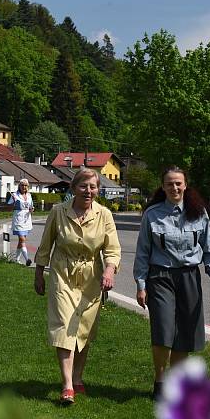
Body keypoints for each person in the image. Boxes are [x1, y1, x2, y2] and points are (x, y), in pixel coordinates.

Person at [133, 167, 210, 400]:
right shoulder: (152, 215)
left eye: (178, 184)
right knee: (163, 331)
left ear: (185, 185)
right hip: (160, 277)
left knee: (184, 333)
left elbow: (208, 248)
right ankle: (160, 380)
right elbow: (143, 252)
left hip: (189, 277)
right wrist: (141, 285)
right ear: (162, 187)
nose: (174, 188)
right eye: (169, 184)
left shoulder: (199, 213)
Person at [34, 168, 121, 405]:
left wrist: (109, 271)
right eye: (83, 186)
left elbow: (112, 249)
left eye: (93, 187)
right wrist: (39, 273)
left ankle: (78, 377)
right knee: (64, 326)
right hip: (63, 274)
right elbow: (45, 246)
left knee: (83, 328)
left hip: (91, 278)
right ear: (73, 188)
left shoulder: (104, 215)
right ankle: (67, 385)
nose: (88, 191)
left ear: (98, 190)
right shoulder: (58, 212)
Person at [9, 178, 34, 266]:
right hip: (18, 220)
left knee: (21, 241)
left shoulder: (30, 196)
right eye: (22, 185)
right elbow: (9, 206)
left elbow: (31, 207)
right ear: (19, 186)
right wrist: (13, 202)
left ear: (28, 187)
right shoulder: (15, 195)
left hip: (27, 220)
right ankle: (27, 259)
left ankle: (17, 259)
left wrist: (31, 209)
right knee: (22, 239)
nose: (24, 187)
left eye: (25, 185)